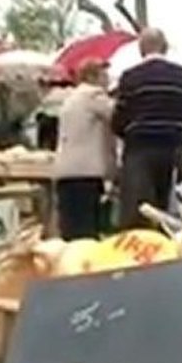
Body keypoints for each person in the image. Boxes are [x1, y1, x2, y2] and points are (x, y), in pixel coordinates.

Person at [112, 27, 182, 229]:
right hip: (173, 150)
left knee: (139, 212)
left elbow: (118, 121)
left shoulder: (130, 77)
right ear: (165, 48)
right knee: (171, 214)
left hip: (139, 150)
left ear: (141, 50)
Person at [54, 59, 116, 240]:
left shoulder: (70, 100)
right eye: (104, 74)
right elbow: (119, 114)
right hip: (86, 172)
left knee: (70, 227)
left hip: (65, 171)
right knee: (86, 230)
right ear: (92, 77)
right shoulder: (93, 96)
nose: (107, 79)